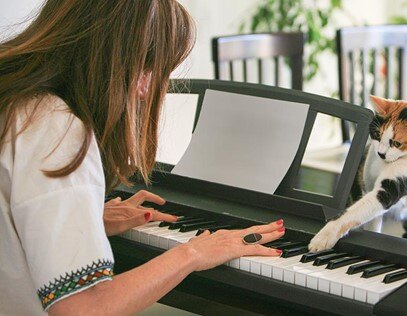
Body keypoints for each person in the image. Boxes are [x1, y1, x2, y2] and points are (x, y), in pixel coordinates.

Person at [0, 1, 284, 315]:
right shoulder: (57, 130)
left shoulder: (15, 101)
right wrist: (193, 253)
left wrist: (85, 218)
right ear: (113, 59)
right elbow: (82, 310)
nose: (145, 91)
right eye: (148, 70)